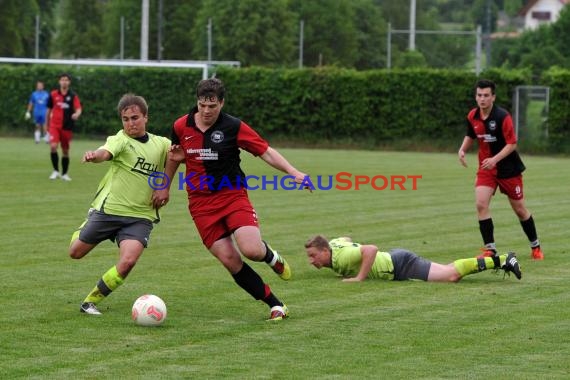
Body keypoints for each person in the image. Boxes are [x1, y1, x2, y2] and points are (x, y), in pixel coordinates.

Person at [154, 78, 309, 321]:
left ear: (222, 103)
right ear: (197, 102)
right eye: (202, 105)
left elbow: (265, 152)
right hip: (201, 204)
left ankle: (269, 255)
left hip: (232, 194)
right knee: (230, 259)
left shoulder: (234, 126)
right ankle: (275, 305)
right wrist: (164, 187)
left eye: (212, 106)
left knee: (251, 250)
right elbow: (175, 156)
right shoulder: (181, 126)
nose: (206, 111)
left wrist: (294, 172)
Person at [69, 94, 170, 315]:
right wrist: (93, 155)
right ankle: (88, 221)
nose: (130, 123)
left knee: (128, 262)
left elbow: (178, 157)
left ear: (146, 117)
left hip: (141, 216)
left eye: (135, 118)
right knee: (75, 252)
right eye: (125, 119)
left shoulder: (161, 144)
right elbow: (104, 153)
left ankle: (89, 302)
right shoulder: (121, 139)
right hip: (109, 211)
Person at [458, 79, 543, 260]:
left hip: (508, 169)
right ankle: (490, 249)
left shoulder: (502, 116)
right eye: (479, 95)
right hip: (486, 169)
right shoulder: (472, 116)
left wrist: (495, 159)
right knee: (481, 204)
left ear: (493, 97)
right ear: (476, 96)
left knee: (519, 209)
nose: (482, 99)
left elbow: (512, 144)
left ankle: (535, 246)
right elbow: (471, 134)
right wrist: (463, 149)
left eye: (486, 95)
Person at [304, 235, 522, 282]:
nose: (311, 261)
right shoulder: (333, 245)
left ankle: (503, 259)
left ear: (325, 251)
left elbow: (370, 249)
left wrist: (359, 277)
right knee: (449, 271)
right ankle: (496, 260)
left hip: (401, 265)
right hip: (397, 258)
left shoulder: (341, 258)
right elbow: (346, 238)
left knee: (451, 275)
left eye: (313, 256)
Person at [46, 72, 82, 181]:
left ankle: (65, 173)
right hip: (54, 126)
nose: (64, 82)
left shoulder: (73, 96)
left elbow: (79, 108)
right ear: (59, 81)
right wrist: (46, 124)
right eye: (62, 80)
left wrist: (77, 114)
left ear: (69, 82)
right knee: (53, 146)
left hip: (67, 127)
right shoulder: (53, 94)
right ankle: (56, 171)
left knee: (65, 151)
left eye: (66, 80)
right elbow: (48, 110)